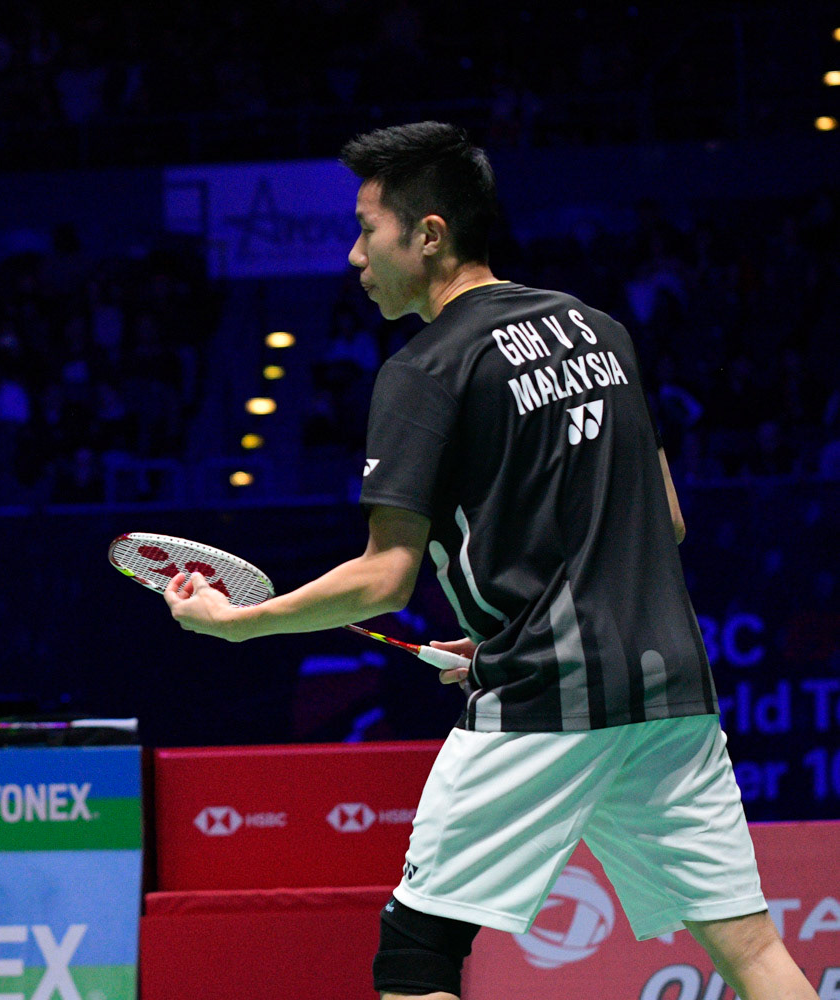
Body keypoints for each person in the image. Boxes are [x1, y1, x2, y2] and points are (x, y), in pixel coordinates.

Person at [162, 123, 818, 1000]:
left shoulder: (427, 369)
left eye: (367, 230)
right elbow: (664, 519)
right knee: (749, 946)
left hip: (549, 690)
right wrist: (509, 624)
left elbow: (384, 577)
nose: (354, 255)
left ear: (428, 235)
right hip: (668, 686)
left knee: (416, 953)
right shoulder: (600, 329)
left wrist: (240, 623)